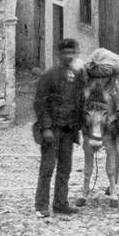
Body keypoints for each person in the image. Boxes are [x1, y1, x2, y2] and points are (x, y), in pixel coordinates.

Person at [33, 38, 86, 218]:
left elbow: (80, 101)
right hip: (53, 129)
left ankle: (61, 203)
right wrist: (46, 127)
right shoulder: (49, 75)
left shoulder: (77, 75)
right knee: (47, 168)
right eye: (65, 53)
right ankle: (41, 205)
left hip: (68, 129)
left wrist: (81, 125)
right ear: (59, 54)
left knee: (65, 168)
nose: (69, 56)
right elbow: (40, 104)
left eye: (72, 53)